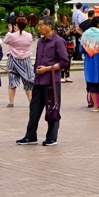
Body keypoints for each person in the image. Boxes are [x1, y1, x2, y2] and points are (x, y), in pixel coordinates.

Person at [15, 18, 69, 146]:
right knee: (34, 110)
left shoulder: (58, 41)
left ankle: (51, 137)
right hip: (38, 81)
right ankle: (30, 136)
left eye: (41, 25)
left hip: (51, 82)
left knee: (52, 109)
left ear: (49, 26)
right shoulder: (40, 41)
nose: (38, 28)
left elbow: (64, 62)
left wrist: (47, 69)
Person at [3, 16, 34, 109]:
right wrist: (18, 32)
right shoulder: (29, 35)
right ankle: (30, 101)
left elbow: (5, 40)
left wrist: (10, 31)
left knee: (12, 81)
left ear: (16, 25)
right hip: (25, 60)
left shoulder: (12, 36)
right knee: (28, 81)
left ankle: (11, 102)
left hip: (13, 60)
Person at [81, 19, 99, 109]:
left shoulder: (85, 34)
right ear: (98, 24)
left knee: (91, 84)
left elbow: (81, 49)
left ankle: (95, 105)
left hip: (89, 61)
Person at [57, 14, 75, 81]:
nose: (65, 20)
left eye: (66, 19)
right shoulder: (59, 27)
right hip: (63, 45)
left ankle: (67, 76)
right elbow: (64, 34)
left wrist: (74, 29)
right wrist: (70, 29)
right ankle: (61, 76)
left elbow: (72, 34)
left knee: (69, 61)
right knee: (63, 60)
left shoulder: (68, 26)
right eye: (64, 18)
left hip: (70, 44)